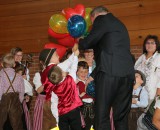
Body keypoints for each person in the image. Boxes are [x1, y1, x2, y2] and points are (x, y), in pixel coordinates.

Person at [77, 6, 134, 130]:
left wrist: (79, 40)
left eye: (93, 23)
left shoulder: (101, 20)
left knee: (102, 115)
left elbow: (87, 43)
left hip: (109, 72)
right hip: (128, 75)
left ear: (94, 17)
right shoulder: (119, 24)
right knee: (121, 117)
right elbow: (109, 49)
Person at [48, 48, 83, 130]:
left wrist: (57, 117)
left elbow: (54, 103)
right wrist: (75, 56)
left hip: (62, 113)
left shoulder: (54, 89)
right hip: (74, 110)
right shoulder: (71, 78)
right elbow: (74, 67)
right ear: (62, 73)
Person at [134, 35, 160, 130]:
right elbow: (134, 73)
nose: (149, 45)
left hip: (153, 95)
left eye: (152, 43)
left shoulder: (159, 57)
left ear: (156, 45)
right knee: (139, 121)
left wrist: (158, 95)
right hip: (139, 94)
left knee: (150, 122)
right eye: (147, 43)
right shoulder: (141, 58)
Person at [0, 53, 25, 130]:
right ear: (14, 65)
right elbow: (22, 91)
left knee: (2, 123)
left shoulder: (1, 75)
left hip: (3, 103)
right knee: (16, 124)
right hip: (15, 102)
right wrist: (19, 101)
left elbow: (0, 89)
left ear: (2, 64)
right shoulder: (19, 77)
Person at [76, 61, 95, 130]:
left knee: (90, 126)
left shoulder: (90, 82)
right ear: (77, 72)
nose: (84, 74)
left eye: (86, 72)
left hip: (92, 108)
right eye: (81, 72)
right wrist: (79, 96)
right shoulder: (75, 83)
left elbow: (94, 93)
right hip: (81, 109)